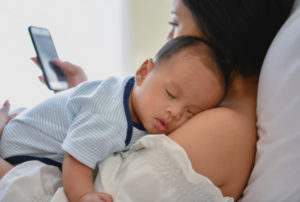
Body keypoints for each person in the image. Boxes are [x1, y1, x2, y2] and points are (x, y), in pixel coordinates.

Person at [0, 0, 294, 201]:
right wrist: (86, 99)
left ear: (219, 24)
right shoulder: (221, 114)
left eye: (175, 22)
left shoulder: (221, 130)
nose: (169, 38)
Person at [0, 36, 226, 202]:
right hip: (26, 149)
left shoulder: (139, 99)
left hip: (30, 132)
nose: (176, 113)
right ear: (143, 72)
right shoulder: (109, 119)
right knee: (44, 184)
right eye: (171, 95)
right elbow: (76, 160)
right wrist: (84, 196)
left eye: (191, 112)